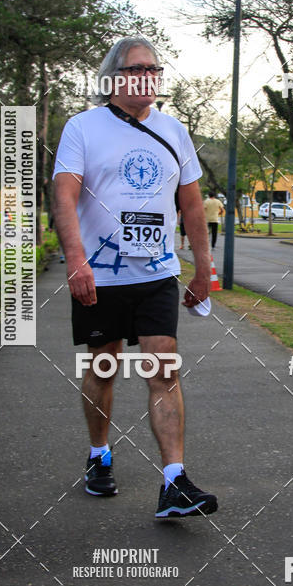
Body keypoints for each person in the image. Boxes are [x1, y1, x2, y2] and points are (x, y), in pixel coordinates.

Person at [52, 36, 217, 518]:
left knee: (163, 367)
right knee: (103, 367)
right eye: (136, 68)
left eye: (154, 69)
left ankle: (174, 483)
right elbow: (64, 198)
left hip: (157, 272)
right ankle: (99, 454)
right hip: (100, 274)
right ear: (112, 78)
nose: (148, 76)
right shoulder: (83, 128)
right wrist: (76, 260)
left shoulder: (174, 130)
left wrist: (203, 269)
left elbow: (190, 205)